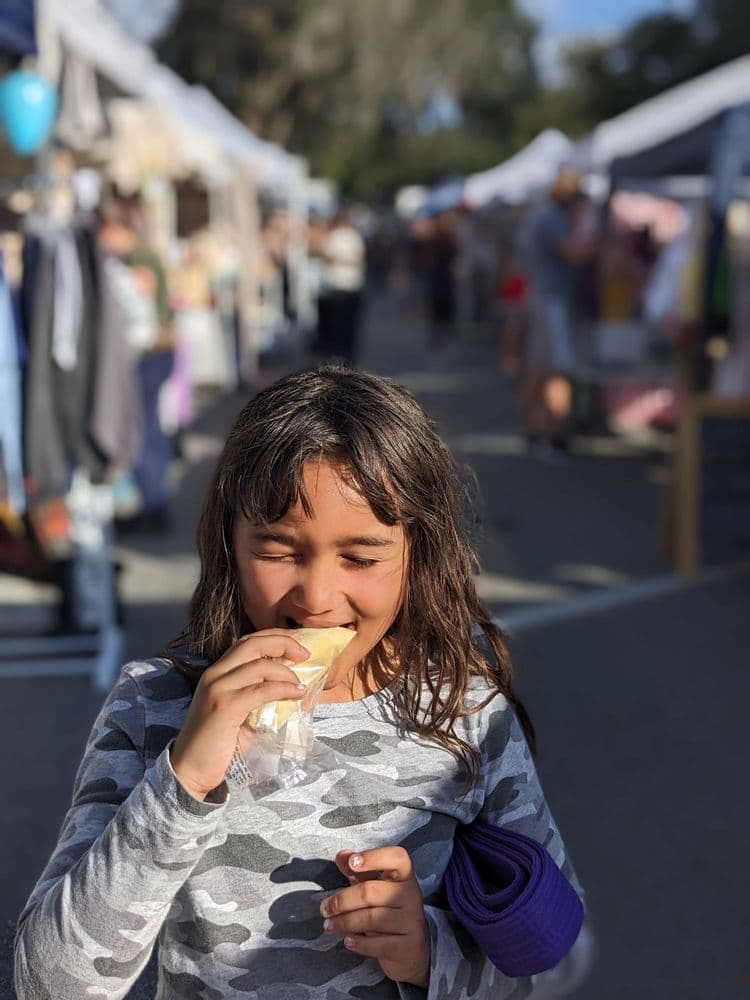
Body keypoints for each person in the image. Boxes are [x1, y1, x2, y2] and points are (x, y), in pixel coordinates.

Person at [15, 365, 590, 999]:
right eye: (278, 550)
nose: (316, 597)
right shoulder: (156, 706)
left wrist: (433, 953)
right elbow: (49, 984)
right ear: (228, 542)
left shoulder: (465, 711)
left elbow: (559, 955)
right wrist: (182, 780)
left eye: (361, 557)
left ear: (416, 552)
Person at [522, 169, 596, 455]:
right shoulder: (553, 219)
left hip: (544, 298)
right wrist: (598, 245)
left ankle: (535, 432)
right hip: (551, 301)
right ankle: (556, 435)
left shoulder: (544, 216)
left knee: (539, 368)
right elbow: (573, 254)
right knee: (557, 369)